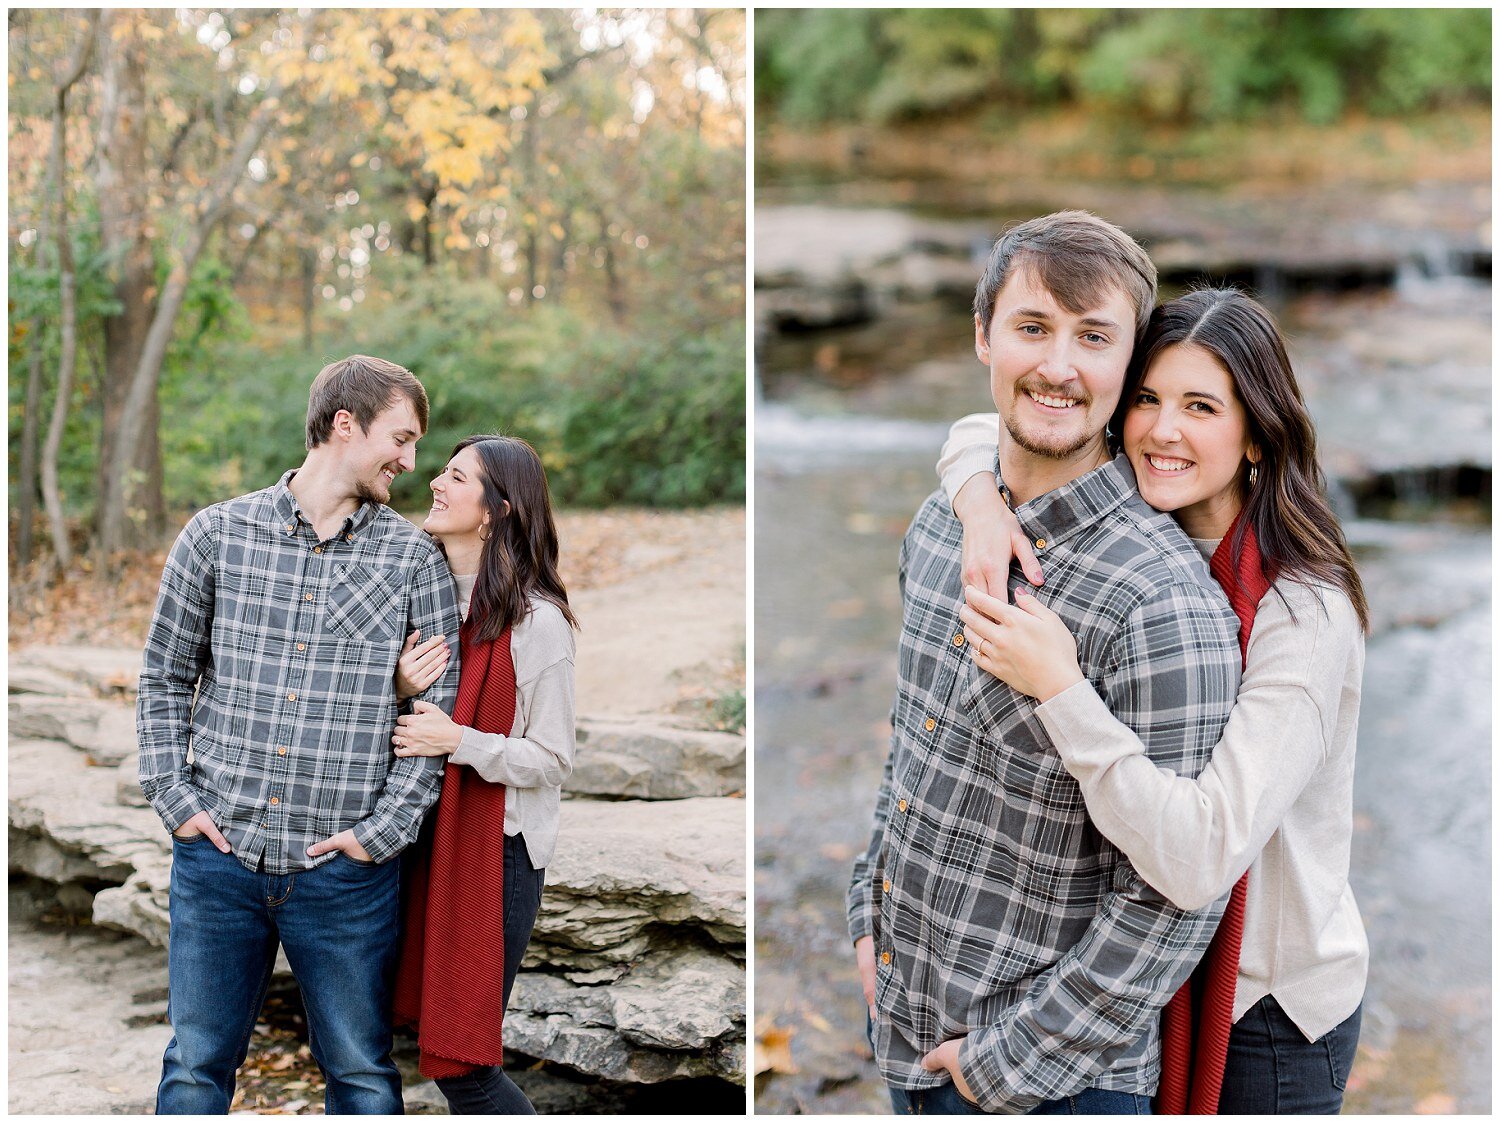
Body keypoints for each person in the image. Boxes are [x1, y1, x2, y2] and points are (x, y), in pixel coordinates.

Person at [848, 211, 1244, 1115]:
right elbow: (915, 742)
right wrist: (866, 912)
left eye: (1094, 338)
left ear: (1129, 364)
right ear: (984, 336)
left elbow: (1177, 896)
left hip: (1053, 1085)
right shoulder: (942, 523)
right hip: (907, 1031)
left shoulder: (1162, 601)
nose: (1059, 366)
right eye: (1033, 328)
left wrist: (1004, 1063)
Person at [940, 287, 1368, 1114]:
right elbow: (972, 432)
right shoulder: (1145, 530)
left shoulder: (1304, 612)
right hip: (1148, 978)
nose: (1162, 430)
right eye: (1146, 398)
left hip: (1264, 1009)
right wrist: (981, 504)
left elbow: (1203, 855)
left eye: (1201, 406)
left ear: (1256, 433)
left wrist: (1061, 688)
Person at [138, 355, 463, 1114]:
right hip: (219, 859)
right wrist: (174, 798)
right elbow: (162, 676)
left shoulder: (414, 561)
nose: (412, 463)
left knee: (359, 1072)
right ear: (345, 425)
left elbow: (433, 719)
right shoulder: (216, 535)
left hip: (345, 878)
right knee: (193, 1065)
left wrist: (378, 835)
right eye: (402, 438)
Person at [386, 434, 578, 1115]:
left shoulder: (538, 620)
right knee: (410, 1042)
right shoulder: (423, 593)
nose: (435, 481)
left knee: (461, 1062)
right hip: (421, 843)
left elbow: (553, 757)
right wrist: (400, 685)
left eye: (456, 475)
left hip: (496, 854)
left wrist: (459, 739)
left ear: (496, 509)